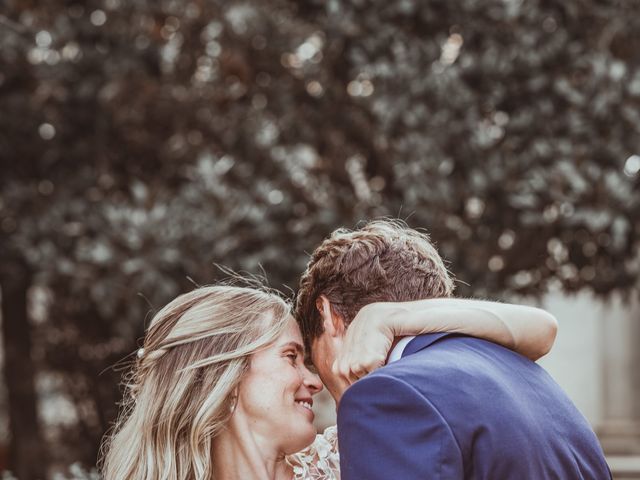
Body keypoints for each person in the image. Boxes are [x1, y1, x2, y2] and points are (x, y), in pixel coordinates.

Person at [100, 280, 557, 480]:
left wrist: (391, 317)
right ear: (223, 373)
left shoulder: (351, 455)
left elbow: (540, 329)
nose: (313, 380)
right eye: (291, 357)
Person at [295, 219, 611, 479]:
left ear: (328, 315)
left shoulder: (385, 395)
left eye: (310, 356)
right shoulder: (532, 379)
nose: (320, 381)